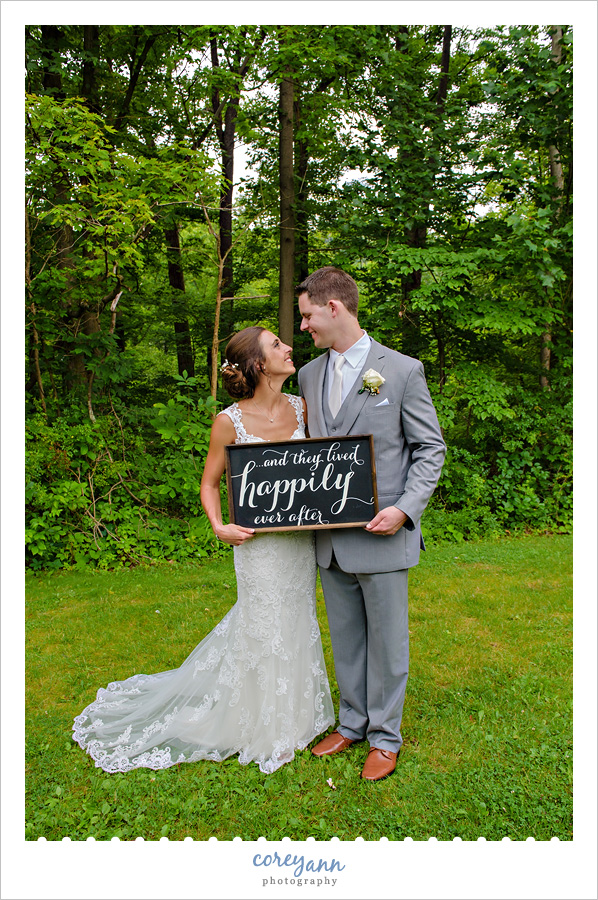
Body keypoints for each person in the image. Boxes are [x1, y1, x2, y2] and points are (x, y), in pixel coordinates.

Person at [73, 326, 334, 775]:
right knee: (261, 623)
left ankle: (299, 715)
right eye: (276, 345)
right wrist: (219, 525)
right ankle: (259, 722)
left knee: (297, 618)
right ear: (257, 365)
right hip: (256, 548)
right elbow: (210, 483)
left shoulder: (303, 409)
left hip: (298, 542)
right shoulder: (228, 422)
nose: (288, 348)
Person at [297, 267, 446, 781]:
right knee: (347, 636)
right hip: (330, 539)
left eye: (308, 316)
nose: (304, 327)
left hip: (382, 533)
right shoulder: (309, 376)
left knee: (387, 641)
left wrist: (405, 508)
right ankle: (353, 722)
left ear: (333, 308)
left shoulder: (401, 371)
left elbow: (430, 448)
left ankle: (386, 737)